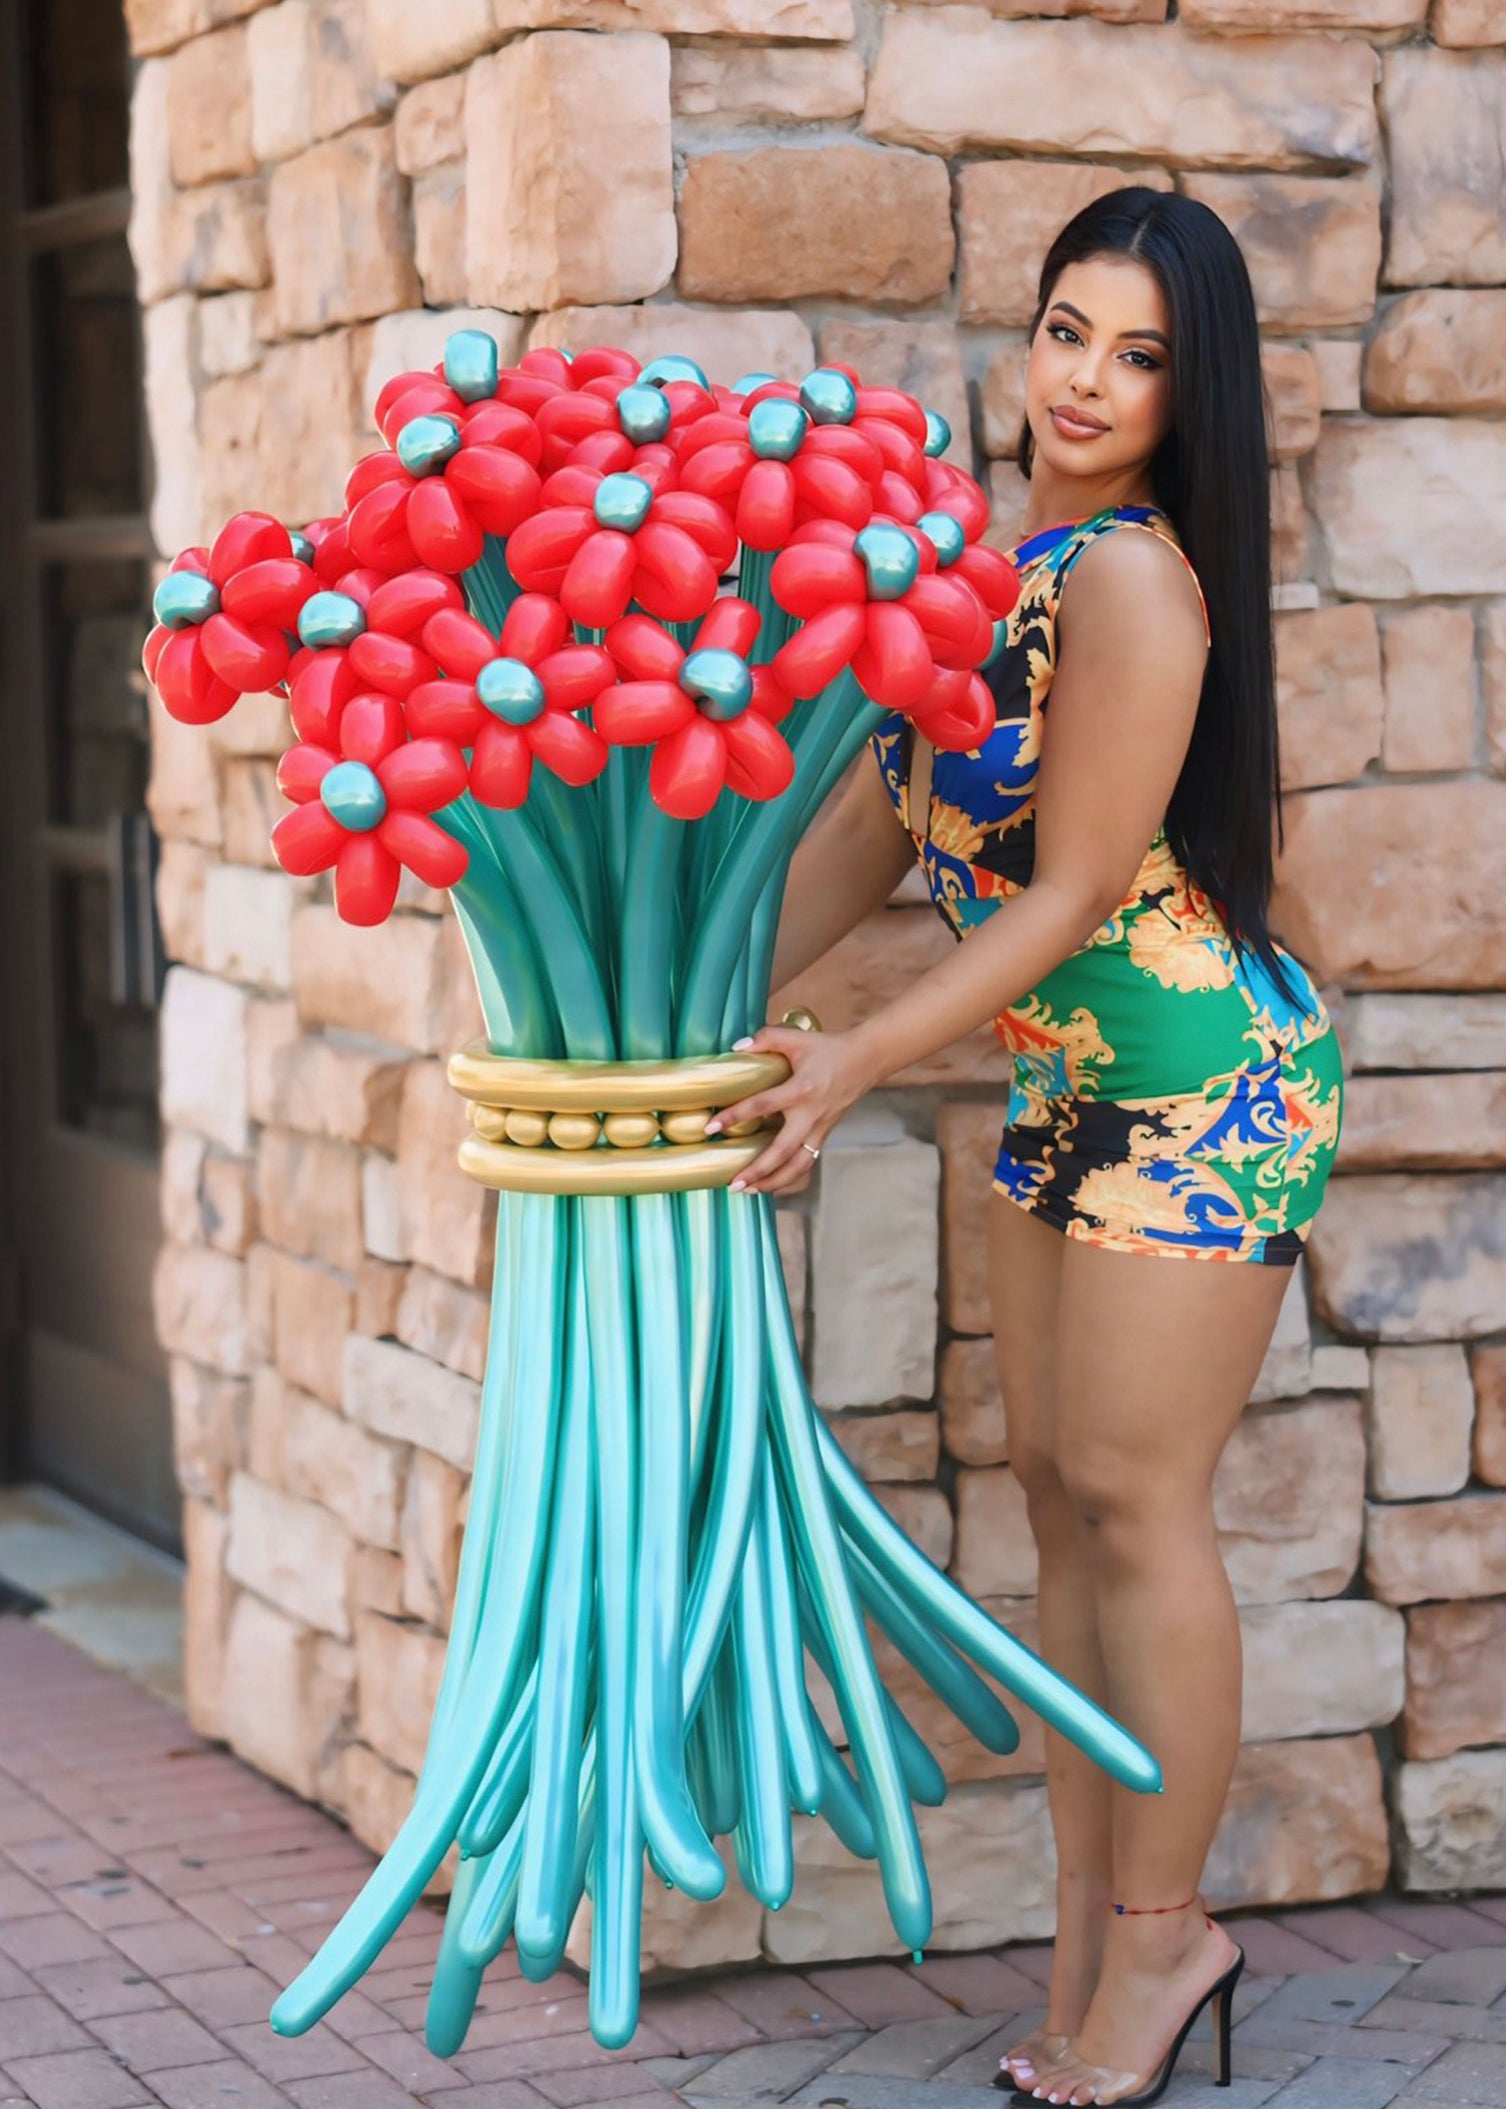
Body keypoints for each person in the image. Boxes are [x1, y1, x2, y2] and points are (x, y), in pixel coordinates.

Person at [707, 186, 1345, 2108]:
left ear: (1190, 393)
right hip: (1070, 1090)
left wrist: (851, 1062)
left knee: (1137, 1507)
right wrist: (675, 1001)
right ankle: (1094, 1942)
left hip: (1205, 1085)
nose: (1085, 379)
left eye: (1139, 355)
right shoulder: (992, 574)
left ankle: (1166, 1942)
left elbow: (1067, 890)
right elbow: (870, 839)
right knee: (1061, 1500)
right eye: (1069, 329)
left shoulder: (1134, 580)